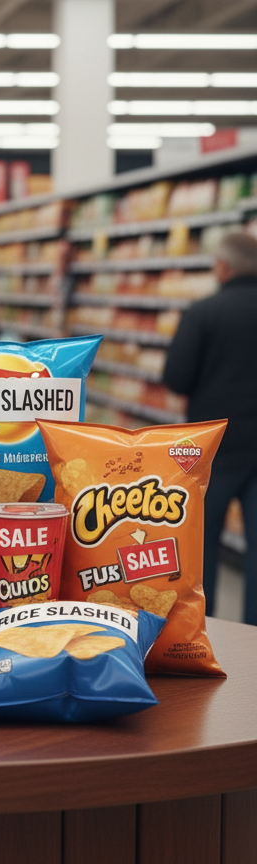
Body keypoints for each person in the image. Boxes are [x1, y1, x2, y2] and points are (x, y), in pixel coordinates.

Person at [163, 231, 257, 624]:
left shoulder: (203, 312)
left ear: (224, 267)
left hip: (213, 445)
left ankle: (208, 626)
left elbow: (176, 377)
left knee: (202, 544)